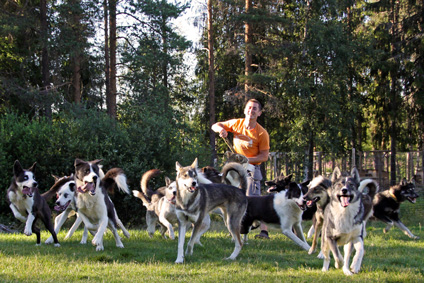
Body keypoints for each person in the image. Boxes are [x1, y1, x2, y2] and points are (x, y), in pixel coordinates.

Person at [212, 98, 270, 239]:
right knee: (227, 196)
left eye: (255, 108)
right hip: (234, 167)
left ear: (259, 113)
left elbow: (264, 156)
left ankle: (264, 231)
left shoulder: (262, 133)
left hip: (251, 168)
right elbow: (215, 125)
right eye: (249, 107)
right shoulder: (237, 123)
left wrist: (246, 160)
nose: (251, 110)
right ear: (245, 110)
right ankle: (235, 229)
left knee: (252, 200)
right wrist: (221, 130)